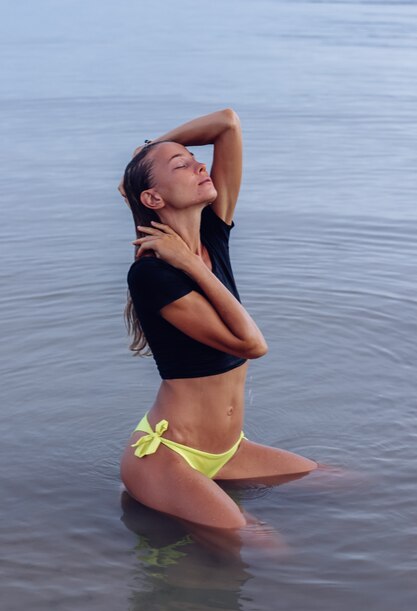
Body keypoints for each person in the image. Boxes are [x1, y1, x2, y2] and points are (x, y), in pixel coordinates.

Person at [119, 109, 317, 532]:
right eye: (183, 165)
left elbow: (227, 123)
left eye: (195, 159)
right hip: (169, 456)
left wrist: (148, 151)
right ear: (154, 199)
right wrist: (189, 265)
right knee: (265, 550)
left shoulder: (212, 234)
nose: (200, 165)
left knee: (338, 482)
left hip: (228, 450)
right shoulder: (153, 274)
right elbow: (251, 345)